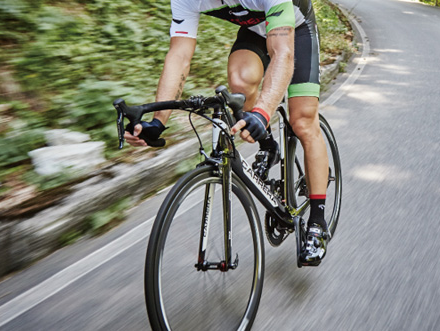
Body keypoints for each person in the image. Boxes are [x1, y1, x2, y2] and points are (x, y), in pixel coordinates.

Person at [124, 0, 330, 266]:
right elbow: (179, 56)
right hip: (256, 30)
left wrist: (263, 112)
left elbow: (283, 54)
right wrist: (158, 122)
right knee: (240, 81)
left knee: (302, 121)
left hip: (296, 29)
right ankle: (269, 145)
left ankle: (317, 221)